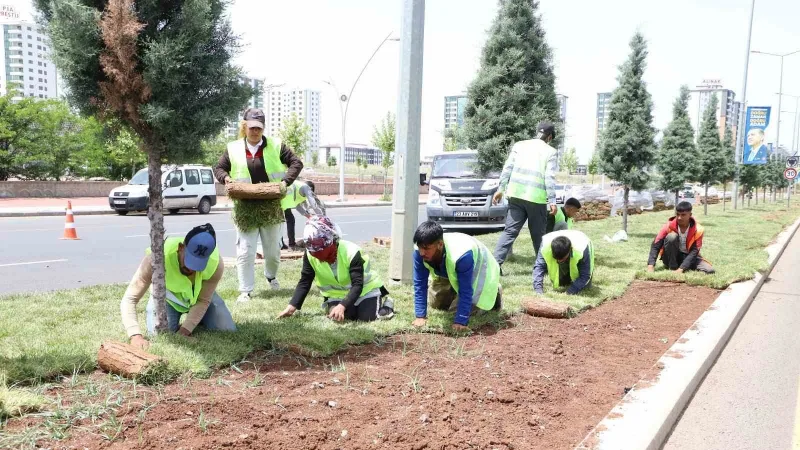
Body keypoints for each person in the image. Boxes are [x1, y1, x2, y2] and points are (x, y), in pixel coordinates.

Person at [214, 108, 304, 302]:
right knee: (245, 250)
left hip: (271, 205)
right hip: (245, 206)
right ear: (245, 126)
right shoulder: (233, 148)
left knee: (272, 252)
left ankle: (270, 276)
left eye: (259, 128)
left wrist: (284, 183)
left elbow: (296, 163)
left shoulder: (276, 145)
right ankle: (245, 290)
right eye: (252, 127)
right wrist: (226, 178)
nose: (255, 132)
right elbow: (219, 168)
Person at [120, 224, 235, 350]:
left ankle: (198, 320)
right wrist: (135, 335)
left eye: (199, 264)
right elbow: (129, 299)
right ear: (181, 248)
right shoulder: (158, 258)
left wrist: (185, 330)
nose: (191, 268)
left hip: (198, 297)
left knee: (227, 329)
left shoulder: (215, 264)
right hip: (168, 299)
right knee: (161, 335)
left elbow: (203, 300)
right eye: (189, 260)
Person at [277, 216, 395, 321]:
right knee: (341, 317)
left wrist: (342, 305)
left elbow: (358, 284)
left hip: (365, 291)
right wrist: (292, 306)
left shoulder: (351, 252)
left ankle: (387, 305)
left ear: (331, 242)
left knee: (367, 318)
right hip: (337, 295)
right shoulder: (310, 255)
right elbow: (305, 281)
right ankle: (346, 307)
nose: (316, 256)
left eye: (320, 251)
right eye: (313, 251)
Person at [492, 121, 559, 271]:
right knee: (538, 235)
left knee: (509, 232)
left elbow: (507, 168)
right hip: (536, 199)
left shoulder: (519, 145)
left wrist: (500, 188)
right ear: (549, 137)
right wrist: (552, 201)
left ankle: (495, 265)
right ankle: (542, 268)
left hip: (515, 195)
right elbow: (549, 178)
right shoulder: (551, 152)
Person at [412, 221, 502, 331]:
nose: (422, 252)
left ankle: (494, 292)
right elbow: (419, 284)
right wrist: (420, 316)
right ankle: (454, 293)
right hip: (449, 271)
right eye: (420, 247)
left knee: (455, 311)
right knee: (436, 304)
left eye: (426, 248)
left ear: (440, 245)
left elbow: (466, 290)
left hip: (477, 272)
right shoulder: (419, 253)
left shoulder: (462, 254)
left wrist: (461, 321)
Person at [647, 201, 714, 274]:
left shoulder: (698, 229)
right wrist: (651, 266)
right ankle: (672, 267)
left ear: (690, 215)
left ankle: (683, 266)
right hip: (670, 257)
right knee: (671, 237)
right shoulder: (669, 225)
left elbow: (694, 252)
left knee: (709, 270)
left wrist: (681, 269)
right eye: (677, 214)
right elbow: (656, 244)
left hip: (687, 256)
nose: (679, 217)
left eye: (683, 215)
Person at [533, 230, 594, 295]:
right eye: (556, 259)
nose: (558, 261)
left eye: (561, 259)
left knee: (585, 287)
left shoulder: (582, 248)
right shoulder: (545, 246)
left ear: (570, 250)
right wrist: (538, 290)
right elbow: (539, 267)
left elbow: (585, 275)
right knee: (563, 283)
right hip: (560, 248)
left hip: (582, 242)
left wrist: (569, 292)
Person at [281, 179, 325, 250]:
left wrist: (308, 216)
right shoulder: (306, 188)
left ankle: (284, 244)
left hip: (284, 200)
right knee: (283, 222)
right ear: (310, 189)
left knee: (288, 220)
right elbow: (313, 204)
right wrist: (321, 217)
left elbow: (297, 206)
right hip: (281, 198)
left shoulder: (299, 189)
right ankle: (287, 244)